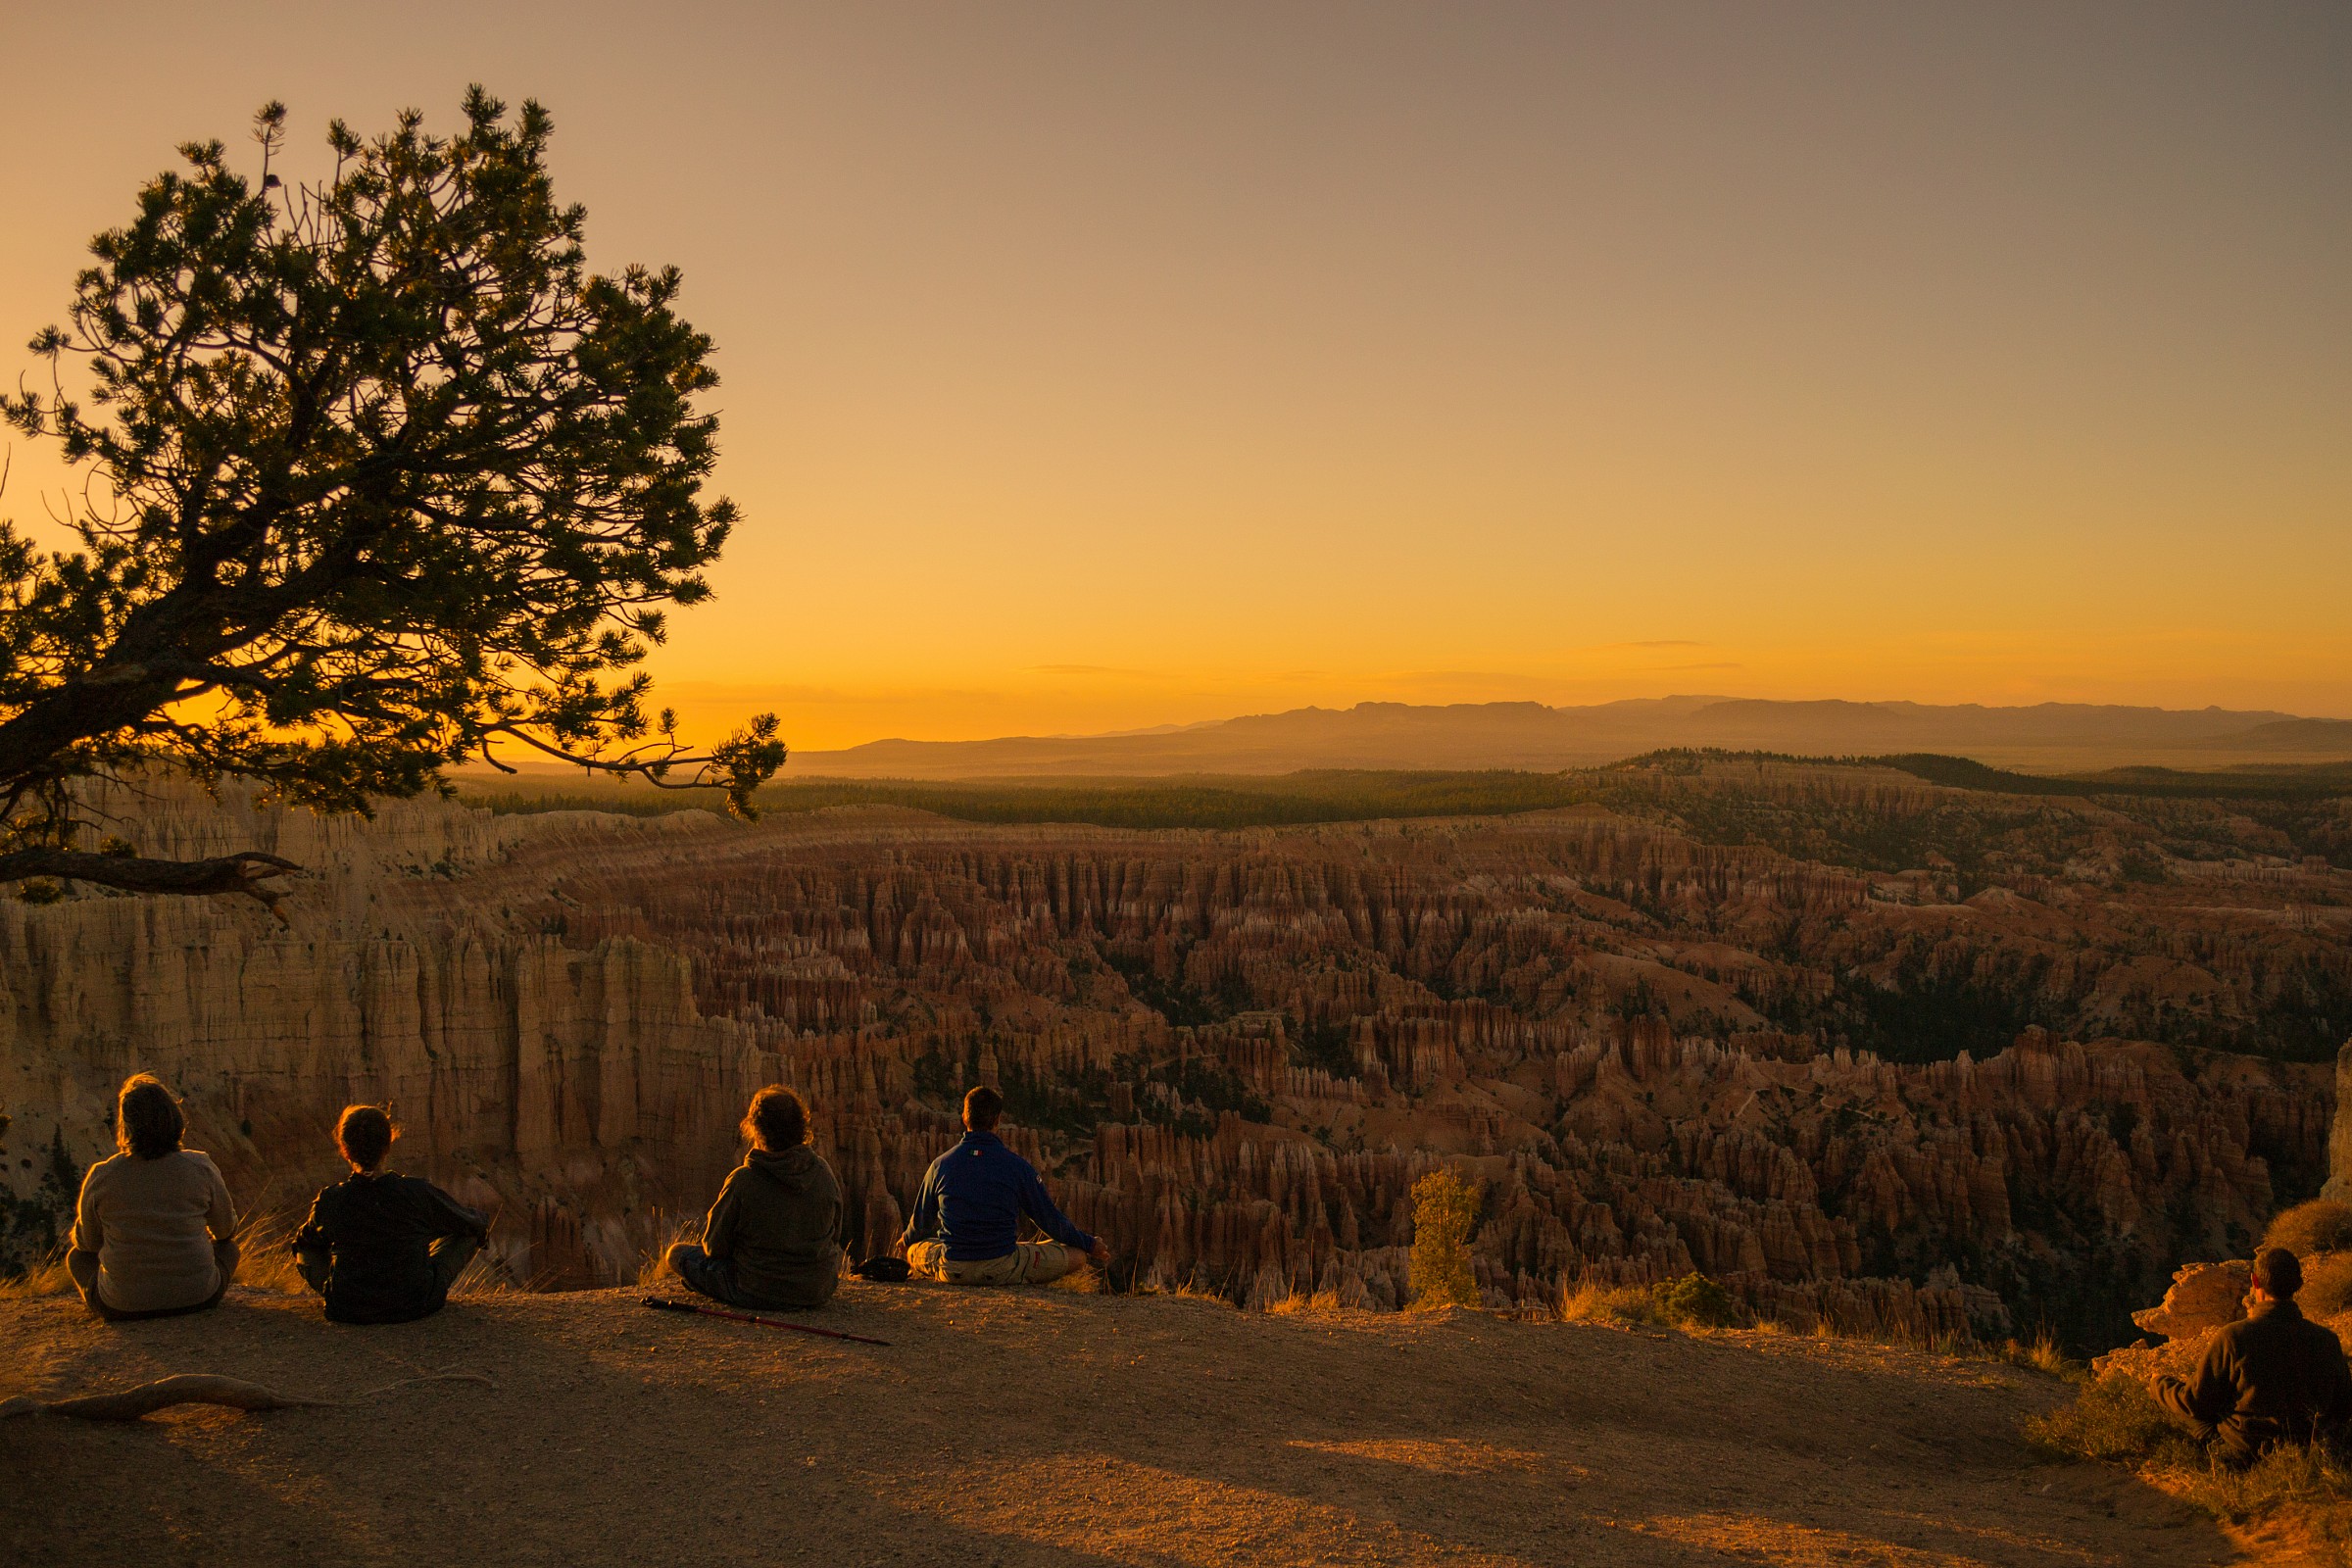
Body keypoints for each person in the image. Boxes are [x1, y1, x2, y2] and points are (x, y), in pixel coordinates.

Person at [2152, 1247, 2352, 1462]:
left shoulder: (2233, 1336)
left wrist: (2159, 1384)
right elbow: (2343, 1407)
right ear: (2298, 1284)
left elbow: (2195, 1403)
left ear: (2255, 1282)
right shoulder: (2327, 1340)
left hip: (2247, 1450)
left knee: (2187, 1414)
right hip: (2308, 1446)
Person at [293, 1104, 489, 1325]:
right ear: (388, 1145)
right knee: (470, 1231)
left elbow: (304, 1243)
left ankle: (336, 1290)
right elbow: (470, 1223)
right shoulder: (416, 1192)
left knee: (305, 1249)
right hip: (417, 1303)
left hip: (348, 1308)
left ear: (344, 1149)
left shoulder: (331, 1199)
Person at [68, 1074, 240, 1321]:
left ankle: (116, 1296)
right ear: (174, 1118)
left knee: (76, 1257)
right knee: (229, 1249)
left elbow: (88, 1244)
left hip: (122, 1306)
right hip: (199, 1297)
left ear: (127, 1126)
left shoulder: (103, 1175)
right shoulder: (200, 1165)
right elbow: (226, 1232)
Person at [900, 1085, 1108, 1286]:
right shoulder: (1016, 1166)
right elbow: (1050, 1220)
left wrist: (906, 1240)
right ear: (998, 1121)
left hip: (952, 1269)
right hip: (1002, 1269)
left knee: (914, 1249)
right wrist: (1089, 1243)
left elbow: (920, 1222)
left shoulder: (940, 1165)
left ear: (964, 1118)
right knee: (1078, 1256)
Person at [664, 1085, 844, 1310]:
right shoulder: (823, 1172)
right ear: (800, 1126)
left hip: (756, 1290)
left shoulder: (743, 1180)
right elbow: (835, 1234)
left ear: (756, 1130)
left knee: (677, 1254)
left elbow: (713, 1247)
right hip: (816, 1290)